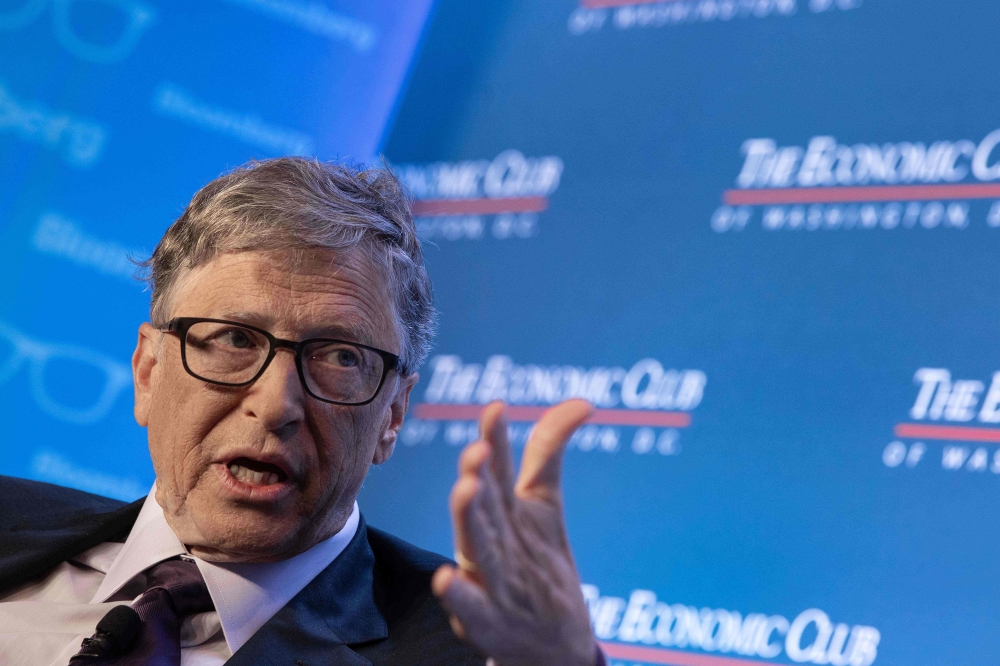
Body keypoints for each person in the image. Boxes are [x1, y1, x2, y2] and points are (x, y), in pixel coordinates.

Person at [0, 158, 603, 666]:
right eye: (235, 340)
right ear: (149, 373)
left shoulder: (477, 647)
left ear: (392, 415)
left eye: (340, 357)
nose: (277, 404)